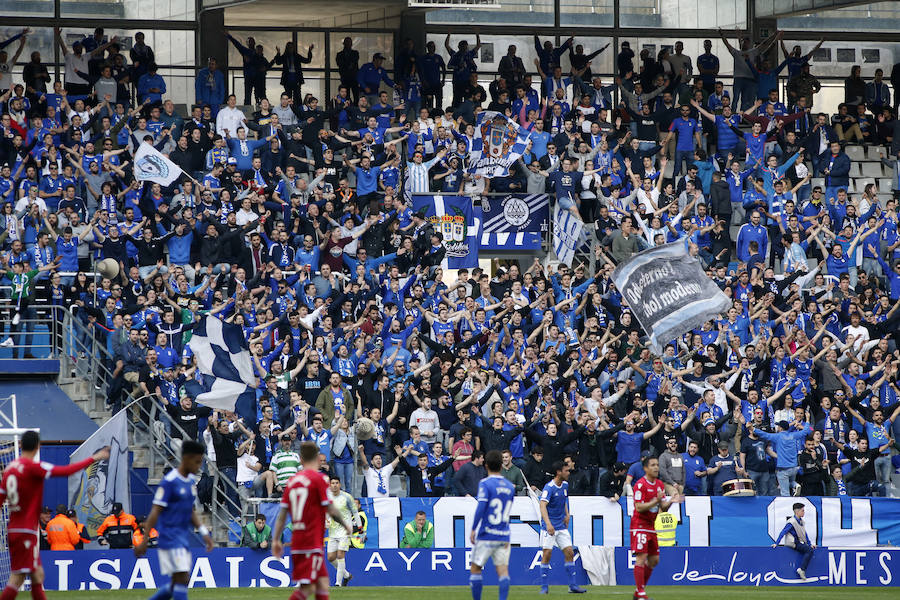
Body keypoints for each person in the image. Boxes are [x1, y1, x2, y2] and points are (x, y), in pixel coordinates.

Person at [0, 431, 108, 600]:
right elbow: (67, 470)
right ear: (38, 446)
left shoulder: (9, 470)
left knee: (37, 576)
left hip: (14, 530)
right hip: (26, 532)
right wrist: (93, 458)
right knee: (17, 577)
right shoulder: (34, 467)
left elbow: (0, 500)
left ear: (20, 445)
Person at [271, 442, 353, 600]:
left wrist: (275, 539)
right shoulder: (319, 479)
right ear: (316, 458)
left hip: (297, 542)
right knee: (309, 588)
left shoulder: (292, 481)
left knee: (321, 583)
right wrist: (345, 524)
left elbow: (282, 514)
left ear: (300, 460)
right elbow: (330, 508)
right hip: (311, 541)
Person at [134, 440, 214, 600]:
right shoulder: (169, 482)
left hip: (181, 537)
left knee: (178, 582)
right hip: (169, 537)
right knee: (183, 578)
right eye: (197, 462)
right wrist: (144, 539)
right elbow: (155, 511)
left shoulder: (190, 482)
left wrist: (204, 532)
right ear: (186, 459)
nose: (199, 466)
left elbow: (190, 510)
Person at [631, 454, 684, 600]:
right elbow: (639, 507)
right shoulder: (640, 485)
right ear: (645, 468)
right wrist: (656, 501)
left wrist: (672, 501)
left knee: (654, 560)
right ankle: (641, 593)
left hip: (651, 526)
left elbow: (663, 508)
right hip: (640, 525)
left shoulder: (660, 485)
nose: (656, 468)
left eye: (657, 465)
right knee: (641, 557)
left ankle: (638, 592)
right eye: (653, 465)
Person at [469, 449, 515, 600]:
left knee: (476, 568)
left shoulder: (485, 483)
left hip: (486, 534)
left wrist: (473, 528)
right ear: (501, 466)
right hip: (503, 535)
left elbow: (481, 507)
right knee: (503, 571)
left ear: (486, 465)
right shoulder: (509, 486)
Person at [538, 460, 585, 594]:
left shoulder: (565, 485)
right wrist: (548, 524)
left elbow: (564, 500)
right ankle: (544, 587)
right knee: (547, 554)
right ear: (559, 472)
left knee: (569, 552)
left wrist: (567, 514)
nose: (568, 473)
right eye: (566, 470)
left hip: (561, 526)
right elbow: (542, 505)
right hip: (550, 527)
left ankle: (572, 586)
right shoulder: (549, 487)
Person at [326, 475, 362, 587]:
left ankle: (338, 583)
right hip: (333, 531)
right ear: (330, 485)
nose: (335, 485)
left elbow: (355, 512)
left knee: (340, 555)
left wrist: (360, 529)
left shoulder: (347, 497)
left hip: (346, 531)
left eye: (337, 483)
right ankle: (346, 575)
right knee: (331, 558)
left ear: (340, 485)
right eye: (333, 483)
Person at [772, 502, 816, 580]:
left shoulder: (801, 521)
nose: (804, 512)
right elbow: (783, 532)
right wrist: (776, 543)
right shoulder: (791, 522)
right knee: (809, 551)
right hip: (793, 543)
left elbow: (804, 534)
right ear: (797, 511)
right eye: (802, 510)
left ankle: (802, 569)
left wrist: (809, 544)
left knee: (809, 549)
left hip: (798, 542)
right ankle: (802, 569)